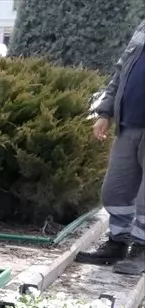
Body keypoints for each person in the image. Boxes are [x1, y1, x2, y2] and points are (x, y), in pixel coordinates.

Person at [75, 18, 145, 276]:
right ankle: (118, 241)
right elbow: (120, 72)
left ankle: (141, 249)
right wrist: (105, 112)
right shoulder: (142, 28)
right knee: (114, 192)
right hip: (128, 125)